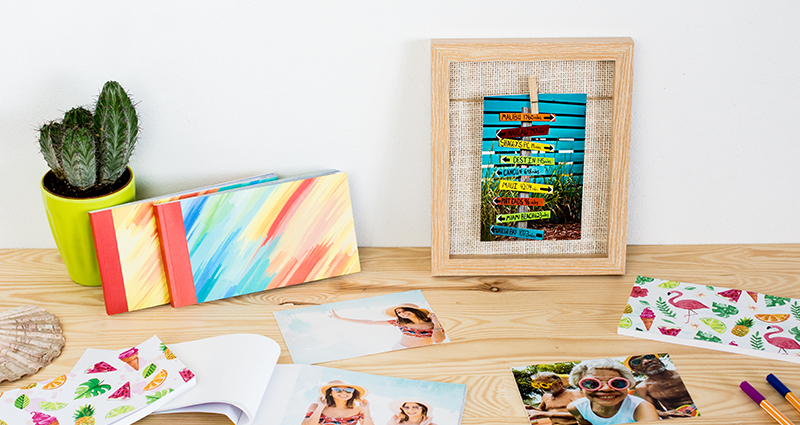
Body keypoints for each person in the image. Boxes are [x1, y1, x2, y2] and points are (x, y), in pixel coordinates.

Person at [566, 359, 659, 425]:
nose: (606, 389)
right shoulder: (576, 408)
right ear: (581, 389)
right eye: (592, 384)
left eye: (617, 383)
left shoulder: (641, 408)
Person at [329, 303, 445, 349]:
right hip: (400, 348)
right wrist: (340, 318)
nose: (401, 313)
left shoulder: (432, 323)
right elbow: (371, 322)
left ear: (413, 310)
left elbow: (438, 340)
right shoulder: (400, 323)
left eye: (404, 310)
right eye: (398, 312)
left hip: (423, 351)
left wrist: (436, 323)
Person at [625, 354, 698, 418]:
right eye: (637, 362)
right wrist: (663, 414)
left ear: (658, 359)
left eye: (649, 356)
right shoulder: (643, 387)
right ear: (635, 370)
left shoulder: (684, 373)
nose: (646, 361)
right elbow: (654, 408)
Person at [302, 380, 374, 425]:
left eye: (348, 390)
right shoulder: (315, 407)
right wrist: (320, 408)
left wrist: (367, 410)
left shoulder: (359, 410)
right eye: (337, 390)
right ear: (330, 393)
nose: (344, 392)